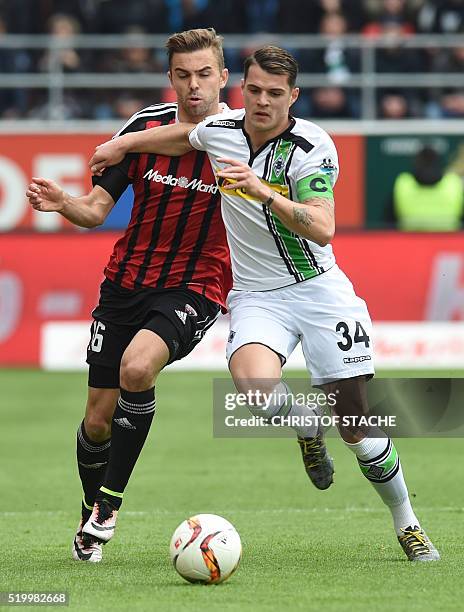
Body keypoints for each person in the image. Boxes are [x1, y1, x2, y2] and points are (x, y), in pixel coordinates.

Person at [89, 45, 440, 562]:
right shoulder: (223, 130)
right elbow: (182, 137)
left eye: (275, 94)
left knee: (357, 426)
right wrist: (122, 146)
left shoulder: (312, 146)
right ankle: (303, 422)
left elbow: (323, 227)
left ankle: (406, 521)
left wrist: (261, 190)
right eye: (254, 90)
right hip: (257, 295)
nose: (262, 102)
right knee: (253, 390)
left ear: (292, 97)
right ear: (242, 89)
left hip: (320, 291)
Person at [26, 28, 233, 564]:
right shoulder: (143, 127)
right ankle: (91, 503)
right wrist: (62, 203)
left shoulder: (243, 137)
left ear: (224, 77)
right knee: (97, 419)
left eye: (204, 74)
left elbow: (206, 142)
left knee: (138, 369)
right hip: (125, 283)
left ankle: (109, 507)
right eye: (183, 76)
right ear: (170, 80)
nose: (194, 86)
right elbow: (96, 211)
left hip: (196, 284)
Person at [386, 145, 464, 230]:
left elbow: (388, 222)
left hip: (409, 241)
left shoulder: (403, 184)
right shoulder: (453, 184)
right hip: (451, 242)